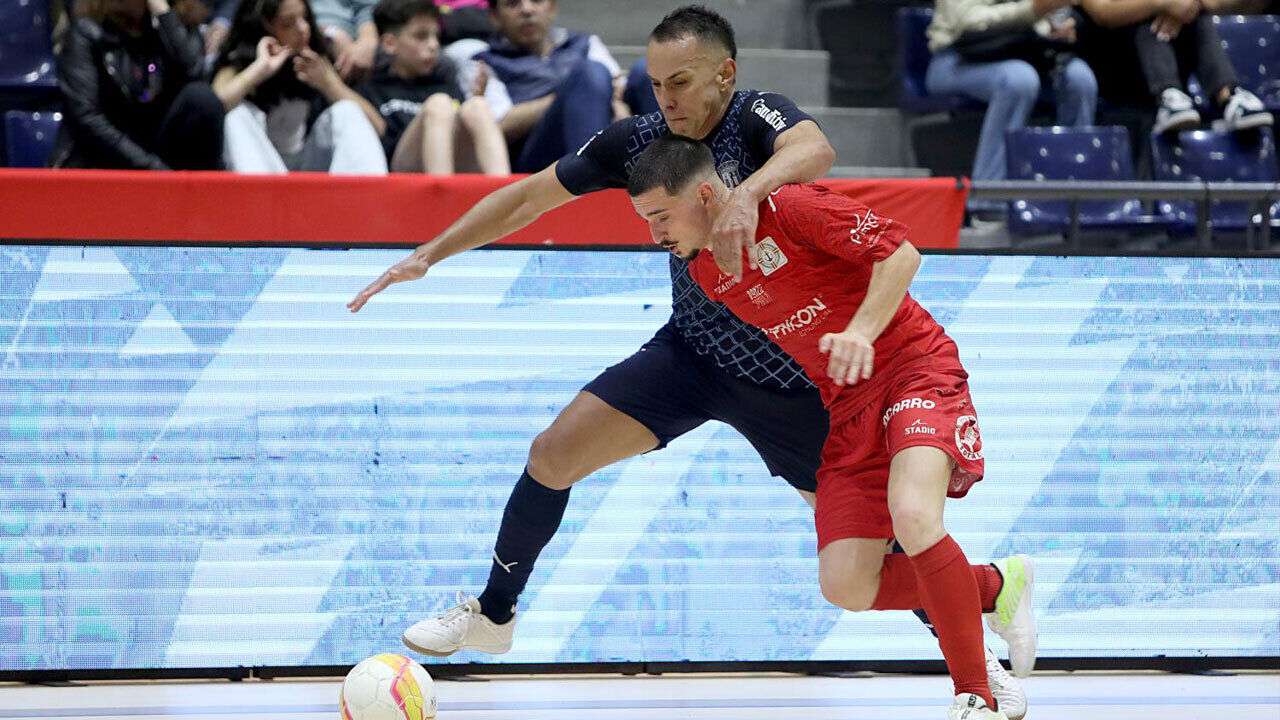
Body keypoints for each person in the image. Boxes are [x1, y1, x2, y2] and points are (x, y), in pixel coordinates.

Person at [347, 6, 1028, 717]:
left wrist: (747, 196)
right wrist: (431, 253)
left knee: (873, 551)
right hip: (693, 354)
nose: (665, 96)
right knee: (552, 453)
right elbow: (530, 197)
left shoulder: (757, 119)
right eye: (654, 81)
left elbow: (815, 149)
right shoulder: (639, 142)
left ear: (723, 75)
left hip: (796, 377)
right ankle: (494, 613)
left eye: (680, 81)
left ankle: (975, 659)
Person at [626, 133, 1036, 720]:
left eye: (661, 215)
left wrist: (862, 332)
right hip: (847, 408)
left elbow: (901, 255)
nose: (655, 234)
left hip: (912, 369)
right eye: (645, 220)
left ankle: (979, 693)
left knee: (915, 515)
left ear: (709, 195)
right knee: (846, 584)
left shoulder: (793, 209)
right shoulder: (705, 276)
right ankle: (995, 587)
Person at [455, 0, 653, 172]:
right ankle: (591, 189)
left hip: (604, 131)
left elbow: (620, 84)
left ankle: (669, 176)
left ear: (552, 7)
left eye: (536, 1)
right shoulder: (484, 63)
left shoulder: (583, 43)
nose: (526, 10)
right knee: (589, 74)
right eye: (512, 3)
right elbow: (499, 123)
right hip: (538, 154)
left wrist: (615, 102)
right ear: (494, 17)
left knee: (645, 71)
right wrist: (567, 96)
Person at [925, 0, 1097, 193]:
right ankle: (989, 201)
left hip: (1024, 53)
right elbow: (968, 21)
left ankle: (1071, 197)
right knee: (1019, 80)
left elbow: (1040, 19)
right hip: (956, 58)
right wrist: (1032, 9)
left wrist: (1056, 28)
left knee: (1080, 78)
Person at [211, 0, 388, 174]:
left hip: (303, 166)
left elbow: (378, 127)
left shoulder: (314, 60)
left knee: (347, 111)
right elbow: (213, 108)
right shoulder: (238, 62)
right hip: (259, 169)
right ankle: (262, 198)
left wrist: (330, 85)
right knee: (238, 114)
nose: (303, 29)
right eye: (288, 24)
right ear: (264, 28)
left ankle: (365, 197)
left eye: (305, 18)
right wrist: (259, 70)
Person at [52, 0, 225, 170]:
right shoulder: (87, 31)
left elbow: (196, 76)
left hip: (157, 149)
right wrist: (152, 167)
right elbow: (86, 117)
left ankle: (201, 194)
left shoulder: (170, 24)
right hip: (105, 156)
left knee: (202, 99)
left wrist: (165, 15)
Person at [360, 0, 510, 174]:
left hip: (455, 165)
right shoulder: (373, 87)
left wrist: (477, 99)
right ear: (390, 44)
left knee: (478, 106)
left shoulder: (446, 83)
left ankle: (506, 194)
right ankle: (441, 196)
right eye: (421, 36)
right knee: (439, 104)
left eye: (436, 36)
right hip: (401, 173)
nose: (434, 45)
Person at [1077, 0, 1273, 133]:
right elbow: (1102, 12)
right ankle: (1169, 95)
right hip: (1113, 65)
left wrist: (1187, 5)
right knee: (1145, 13)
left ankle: (1229, 97)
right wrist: (1162, 3)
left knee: (1196, 12)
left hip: (1168, 59)